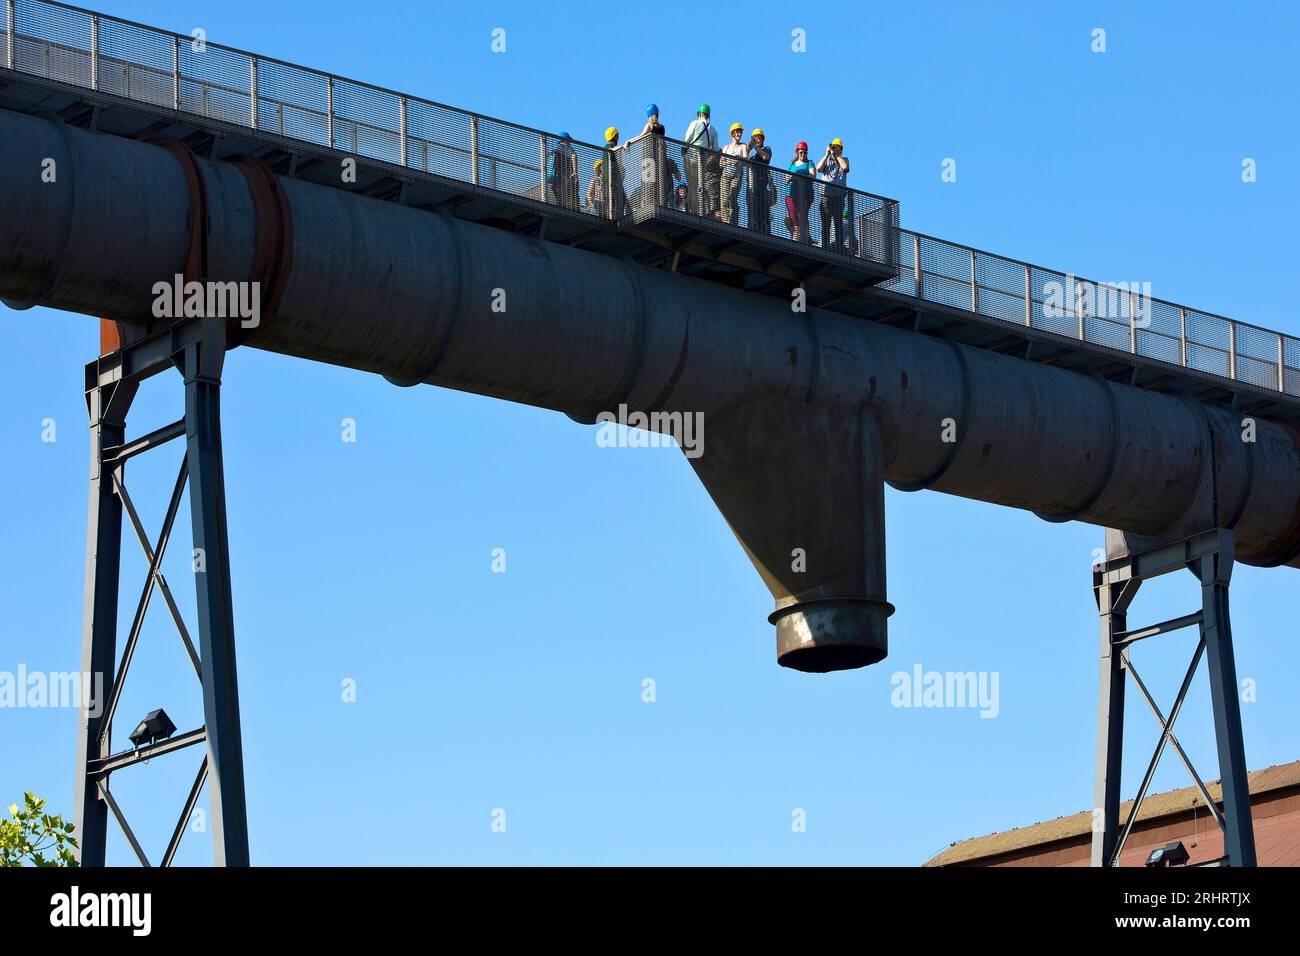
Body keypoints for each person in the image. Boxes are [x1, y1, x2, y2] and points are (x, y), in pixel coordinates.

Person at [626, 103, 680, 208]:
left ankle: (648, 205)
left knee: (648, 183)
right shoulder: (662, 127)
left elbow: (640, 137)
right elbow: (662, 142)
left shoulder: (649, 126)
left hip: (649, 157)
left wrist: (628, 142)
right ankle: (661, 204)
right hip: (660, 158)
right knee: (660, 181)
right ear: (657, 113)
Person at [681, 103, 719, 217]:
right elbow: (716, 148)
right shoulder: (713, 130)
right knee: (700, 185)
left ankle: (696, 212)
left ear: (700, 114)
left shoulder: (694, 123)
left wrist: (683, 149)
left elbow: (687, 139)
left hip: (690, 157)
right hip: (703, 160)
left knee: (692, 186)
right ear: (708, 115)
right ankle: (704, 210)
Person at [816, 137, 851, 250]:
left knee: (838, 223)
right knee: (826, 223)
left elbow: (845, 168)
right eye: (833, 147)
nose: (834, 149)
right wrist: (827, 154)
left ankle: (838, 246)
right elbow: (818, 168)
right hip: (826, 196)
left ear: (841, 149)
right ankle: (825, 245)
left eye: (837, 147)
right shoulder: (827, 160)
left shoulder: (844, 159)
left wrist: (837, 155)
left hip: (839, 196)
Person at [785, 141, 816, 243]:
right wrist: (789, 177)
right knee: (791, 219)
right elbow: (786, 178)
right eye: (801, 152)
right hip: (790, 193)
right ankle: (802, 236)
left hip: (805, 193)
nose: (803, 155)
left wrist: (798, 177)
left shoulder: (809, 163)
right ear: (797, 152)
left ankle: (799, 240)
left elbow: (813, 175)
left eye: (805, 153)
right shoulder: (792, 164)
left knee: (801, 217)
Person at [719, 123, 749, 225]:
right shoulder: (726, 147)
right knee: (724, 199)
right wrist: (727, 161)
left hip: (736, 176)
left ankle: (733, 221)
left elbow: (745, 159)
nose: (739, 134)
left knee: (732, 197)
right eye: (737, 132)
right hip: (726, 175)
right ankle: (725, 221)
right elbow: (721, 163)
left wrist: (738, 159)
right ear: (732, 133)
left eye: (740, 132)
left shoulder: (743, 146)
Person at [746, 128, 774, 236]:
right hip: (751, 184)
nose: (757, 140)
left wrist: (755, 146)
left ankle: (765, 232)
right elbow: (744, 159)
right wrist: (748, 147)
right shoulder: (751, 153)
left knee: (763, 209)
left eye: (759, 138)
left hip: (762, 184)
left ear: (762, 139)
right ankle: (752, 229)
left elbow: (765, 157)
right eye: (755, 139)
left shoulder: (766, 149)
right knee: (752, 208)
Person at [546, 131, 579, 210]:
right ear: (565, 140)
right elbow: (574, 156)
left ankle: (560, 210)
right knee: (571, 198)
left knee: (559, 199)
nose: (570, 142)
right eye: (569, 140)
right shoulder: (568, 149)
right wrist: (575, 172)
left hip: (555, 179)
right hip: (566, 178)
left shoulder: (555, 151)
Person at [603, 126, 629, 219]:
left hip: (614, 181)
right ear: (614, 136)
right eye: (617, 135)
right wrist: (621, 147)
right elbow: (611, 150)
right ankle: (614, 217)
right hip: (611, 181)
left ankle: (618, 216)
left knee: (621, 199)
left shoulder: (613, 149)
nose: (618, 137)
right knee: (614, 200)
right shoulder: (609, 146)